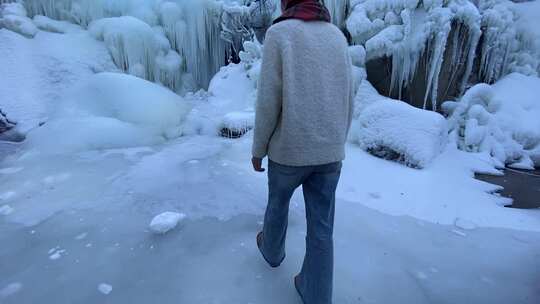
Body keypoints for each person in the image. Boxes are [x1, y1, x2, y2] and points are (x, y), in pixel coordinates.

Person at [251, 0, 354, 303]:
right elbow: (349, 95)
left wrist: (258, 148)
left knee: (278, 204)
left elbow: (268, 99)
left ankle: (271, 251)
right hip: (329, 153)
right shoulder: (336, 35)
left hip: (289, 151)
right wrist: (338, 141)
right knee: (322, 229)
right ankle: (316, 292)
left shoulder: (280, 33)